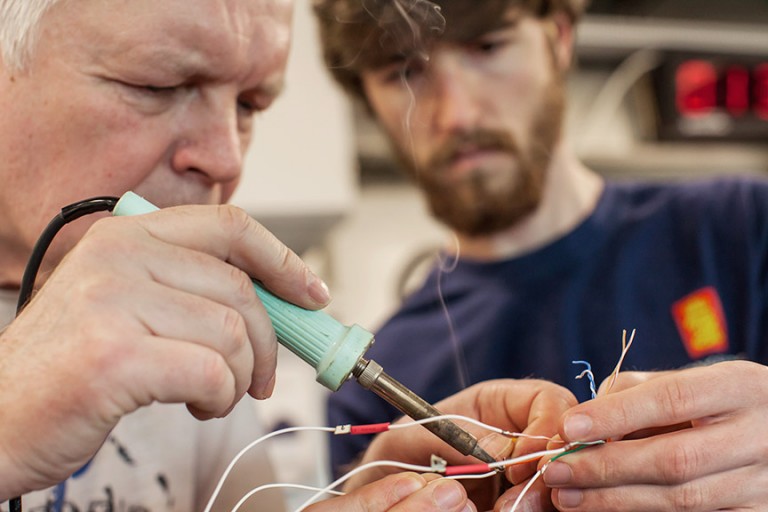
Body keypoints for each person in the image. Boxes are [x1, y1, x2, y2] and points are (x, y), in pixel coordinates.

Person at [0, 0, 578, 511]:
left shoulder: (194, 343)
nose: (227, 159)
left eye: (250, 105)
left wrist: (370, 491)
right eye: (158, 85)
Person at [313, 0, 768, 510]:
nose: (456, 113)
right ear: (368, 102)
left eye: (487, 47)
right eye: (404, 71)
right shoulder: (373, 389)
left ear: (559, 37)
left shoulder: (746, 229)